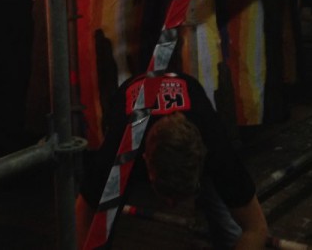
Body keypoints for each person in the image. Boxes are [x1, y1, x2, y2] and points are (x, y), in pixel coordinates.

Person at [76, 72, 268, 249]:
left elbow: (257, 228)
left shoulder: (214, 143)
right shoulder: (120, 149)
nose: (171, 205)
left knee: (227, 224)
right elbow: (81, 220)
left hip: (194, 126)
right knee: (104, 222)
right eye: (165, 193)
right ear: (145, 160)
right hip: (131, 131)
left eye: (181, 196)